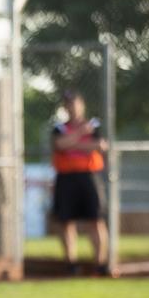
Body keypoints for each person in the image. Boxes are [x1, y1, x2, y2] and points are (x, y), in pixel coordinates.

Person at [51, 90, 109, 275]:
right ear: (65, 107)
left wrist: (72, 143)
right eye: (68, 104)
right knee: (66, 222)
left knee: (96, 220)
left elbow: (99, 145)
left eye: (75, 103)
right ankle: (71, 265)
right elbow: (59, 145)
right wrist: (81, 135)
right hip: (66, 178)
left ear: (81, 105)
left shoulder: (94, 125)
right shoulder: (59, 128)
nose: (72, 107)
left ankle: (100, 265)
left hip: (89, 176)